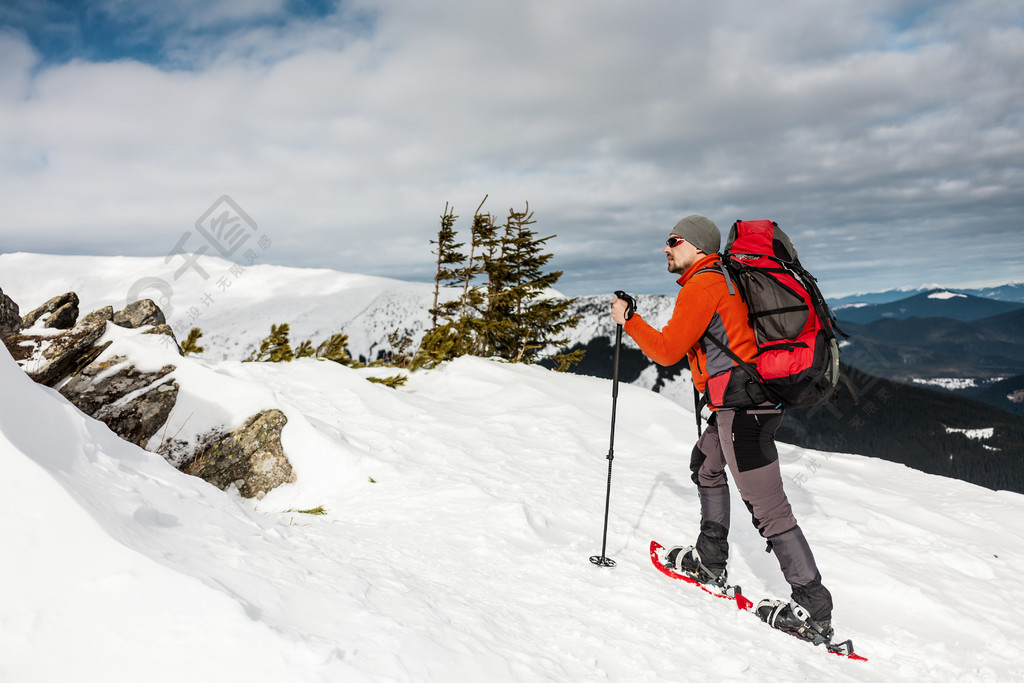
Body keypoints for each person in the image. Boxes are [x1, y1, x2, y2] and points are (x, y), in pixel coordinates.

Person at [610, 215, 835, 643]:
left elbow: (667, 350)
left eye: (673, 241)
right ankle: (710, 560)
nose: (666, 248)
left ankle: (812, 607)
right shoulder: (720, 279)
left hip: (744, 411)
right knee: (705, 465)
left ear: (696, 246)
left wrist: (630, 320)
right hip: (739, 405)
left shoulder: (705, 284)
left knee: (768, 509)